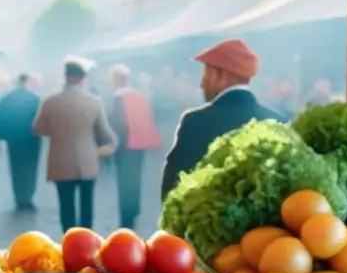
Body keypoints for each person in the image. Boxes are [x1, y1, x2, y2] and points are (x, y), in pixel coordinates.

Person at [161, 39, 282, 199]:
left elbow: (174, 186)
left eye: (206, 74)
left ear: (222, 76)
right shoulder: (279, 121)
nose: (202, 84)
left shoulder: (195, 121)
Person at [33, 59, 117, 232]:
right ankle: (87, 239)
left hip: (60, 161)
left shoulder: (50, 102)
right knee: (87, 202)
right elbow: (105, 132)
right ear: (82, 79)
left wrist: (57, 131)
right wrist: (102, 149)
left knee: (66, 204)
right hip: (88, 159)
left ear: (66, 77)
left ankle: (69, 239)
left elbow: (38, 128)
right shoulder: (94, 102)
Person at [107, 64, 160, 229]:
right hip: (139, 145)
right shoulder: (139, 96)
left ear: (115, 80)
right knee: (136, 179)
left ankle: (126, 217)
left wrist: (111, 147)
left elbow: (117, 126)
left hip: (124, 147)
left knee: (124, 183)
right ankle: (135, 209)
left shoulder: (117, 99)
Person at [0, 73, 42, 210]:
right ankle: (28, 196)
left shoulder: (7, 98)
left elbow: (0, 117)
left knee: (16, 168)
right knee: (31, 168)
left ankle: (19, 197)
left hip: (14, 138)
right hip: (31, 138)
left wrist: (0, 137)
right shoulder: (35, 98)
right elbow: (40, 119)